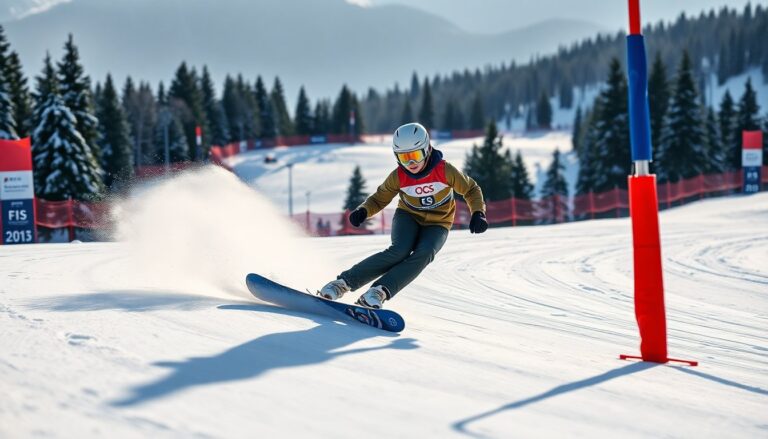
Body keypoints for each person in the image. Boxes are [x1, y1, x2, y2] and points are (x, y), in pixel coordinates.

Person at [318, 122, 487, 309]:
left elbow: (471, 189)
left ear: (427, 149)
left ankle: (379, 292)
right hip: (409, 216)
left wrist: (478, 212)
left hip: (439, 222)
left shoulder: (445, 171)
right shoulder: (398, 176)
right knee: (400, 250)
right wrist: (364, 210)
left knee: (425, 253)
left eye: (414, 155)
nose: (411, 163)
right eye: (403, 157)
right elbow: (380, 198)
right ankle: (341, 284)